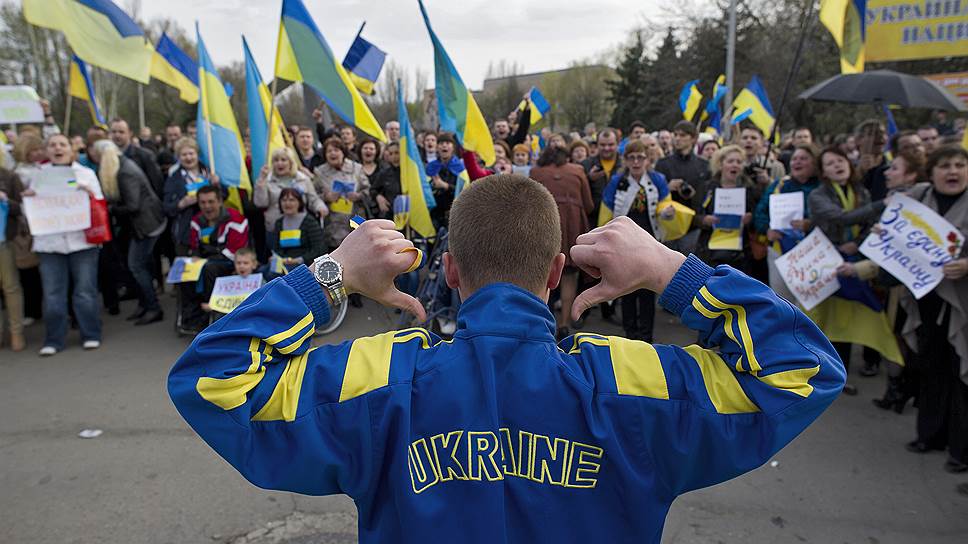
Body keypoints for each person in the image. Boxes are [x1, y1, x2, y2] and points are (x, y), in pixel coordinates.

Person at [168, 173, 845, 543]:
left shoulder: (382, 378)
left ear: (451, 272)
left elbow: (213, 380)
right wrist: (672, 269)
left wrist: (330, 275)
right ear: (557, 273)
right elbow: (802, 368)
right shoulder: (629, 381)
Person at [897, 146, 968, 473]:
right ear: (932, 171)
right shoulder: (918, 200)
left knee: (960, 373)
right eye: (945, 166)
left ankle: (960, 448)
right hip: (926, 299)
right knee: (930, 366)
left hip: (961, 304)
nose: (953, 172)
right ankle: (929, 434)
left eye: (960, 165)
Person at [808, 147, 900, 395]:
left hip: (850, 262)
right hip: (825, 263)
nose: (837, 165)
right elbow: (841, 218)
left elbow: (871, 225)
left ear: (849, 163)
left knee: (845, 321)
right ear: (823, 172)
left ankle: (839, 376)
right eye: (830, 163)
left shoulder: (861, 191)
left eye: (840, 160)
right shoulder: (818, 195)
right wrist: (882, 204)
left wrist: (856, 244)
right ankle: (814, 373)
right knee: (821, 321)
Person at [25, 135, 104, 356]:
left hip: (82, 243)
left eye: (62, 144)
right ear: (46, 151)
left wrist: (86, 192)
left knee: (85, 292)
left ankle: (91, 334)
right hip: (49, 244)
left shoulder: (85, 174)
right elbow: (29, 213)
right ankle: (54, 339)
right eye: (52, 145)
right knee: (52, 294)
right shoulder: (38, 176)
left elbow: (99, 202)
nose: (57, 148)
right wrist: (29, 199)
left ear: (71, 150)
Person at [599, 140, 675, 342]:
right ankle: (630, 332)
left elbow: (665, 203)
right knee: (627, 288)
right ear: (625, 160)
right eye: (631, 157)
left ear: (647, 159)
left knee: (648, 289)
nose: (635, 161)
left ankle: (646, 335)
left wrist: (667, 212)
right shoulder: (617, 181)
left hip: (650, 239)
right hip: (625, 241)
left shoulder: (658, 179)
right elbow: (606, 209)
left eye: (640, 157)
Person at [89, 140, 167, 325]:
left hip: (147, 224)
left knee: (136, 266)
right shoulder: (122, 165)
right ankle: (144, 304)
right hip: (143, 224)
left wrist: (110, 208)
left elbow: (133, 205)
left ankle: (153, 307)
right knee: (139, 265)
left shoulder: (124, 172)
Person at [529, 145, 593, 338]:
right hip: (572, 227)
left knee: (541, 277)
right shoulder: (578, 171)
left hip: (542, 227)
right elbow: (589, 204)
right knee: (569, 275)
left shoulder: (536, 172)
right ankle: (564, 324)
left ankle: (542, 323)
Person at [754, 143, 822, 301]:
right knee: (782, 301)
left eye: (803, 158)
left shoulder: (823, 187)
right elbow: (760, 213)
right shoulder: (779, 184)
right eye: (794, 159)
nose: (797, 162)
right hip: (780, 249)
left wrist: (809, 224)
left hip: (813, 251)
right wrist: (766, 230)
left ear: (814, 163)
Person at [179, 185, 249, 334]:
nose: (207, 206)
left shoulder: (236, 219)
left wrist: (206, 260)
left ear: (220, 201)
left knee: (209, 269)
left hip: (230, 262)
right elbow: (194, 246)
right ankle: (190, 316)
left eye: (211, 202)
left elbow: (235, 250)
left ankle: (210, 316)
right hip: (205, 260)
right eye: (203, 203)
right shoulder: (196, 221)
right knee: (184, 271)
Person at [693, 145, 756, 272]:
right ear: (721, 165)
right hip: (710, 251)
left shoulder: (749, 189)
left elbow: (757, 216)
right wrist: (705, 220)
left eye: (739, 162)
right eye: (730, 161)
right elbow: (694, 217)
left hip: (740, 253)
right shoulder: (707, 188)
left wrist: (750, 219)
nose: (735, 165)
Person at [655, 121, 709, 254]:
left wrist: (693, 194)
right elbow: (653, 195)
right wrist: (667, 188)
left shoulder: (704, 166)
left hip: (693, 226)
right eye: (676, 135)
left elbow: (706, 199)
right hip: (668, 225)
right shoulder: (662, 164)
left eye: (683, 135)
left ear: (693, 138)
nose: (677, 138)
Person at [163, 138, 222, 253]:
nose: (188, 158)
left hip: (213, 229)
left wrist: (217, 185)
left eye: (191, 153)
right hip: (186, 234)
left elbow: (224, 195)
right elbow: (167, 207)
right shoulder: (174, 178)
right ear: (178, 157)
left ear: (197, 154)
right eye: (184, 155)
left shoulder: (209, 171)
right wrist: (182, 203)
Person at [253, 147, 327, 239]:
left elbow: (313, 199)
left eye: (283, 160)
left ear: (291, 162)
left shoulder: (303, 179)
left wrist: (320, 207)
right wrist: (261, 182)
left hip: (300, 227)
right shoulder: (267, 180)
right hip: (276, 228)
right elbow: (260, 203)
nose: (279, 163)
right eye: (276, 160)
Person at [314, 137, 369, 251]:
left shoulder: (357, 168)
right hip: (333, 222)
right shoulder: (319, 172)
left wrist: (358, 195)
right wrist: (326, 197)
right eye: (329, 151)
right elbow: (313, 196)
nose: (333, 153)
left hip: (356, 216)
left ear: (343, 152)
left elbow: (367, 190)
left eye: (336, 150)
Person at [269, 187, 326, 273]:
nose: (287, 203)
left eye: (292, 200)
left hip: (306, 264)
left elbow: (318, 249)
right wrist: (282, 259)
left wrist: (298, 260)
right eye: (284, 200)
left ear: (299, 202)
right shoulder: (279, 223)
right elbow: (276, 248)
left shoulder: (309, 221)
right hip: (284, 263)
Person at [0, 167, 26, 351]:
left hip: (4, 242)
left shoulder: (8, 176)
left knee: (11, 287)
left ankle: (16, 332)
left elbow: (22, 207)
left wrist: (5, 200)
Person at [109, 118, 164, 197]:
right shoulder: (105, 158)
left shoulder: (145, 156)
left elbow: (157, 185)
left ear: (130, 133)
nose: (117, 135)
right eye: (114, 132)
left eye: (121, 132)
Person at [426, 133, 461, 229]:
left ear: (453, 147)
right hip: (435, 213)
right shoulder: (431, 167)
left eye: (447, 143)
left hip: (454, 212)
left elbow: (464, 188)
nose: (444, 145)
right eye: (441, 143)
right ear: (437, 147)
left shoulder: (461, 167)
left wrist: (446, 186)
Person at [371, 142, 401, 221]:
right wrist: (378, 197)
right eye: (391, 154)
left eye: (397, 153)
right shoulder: (384, 173)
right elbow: (373, 190)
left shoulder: (411, 172)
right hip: (391, 215)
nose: (394, 156)